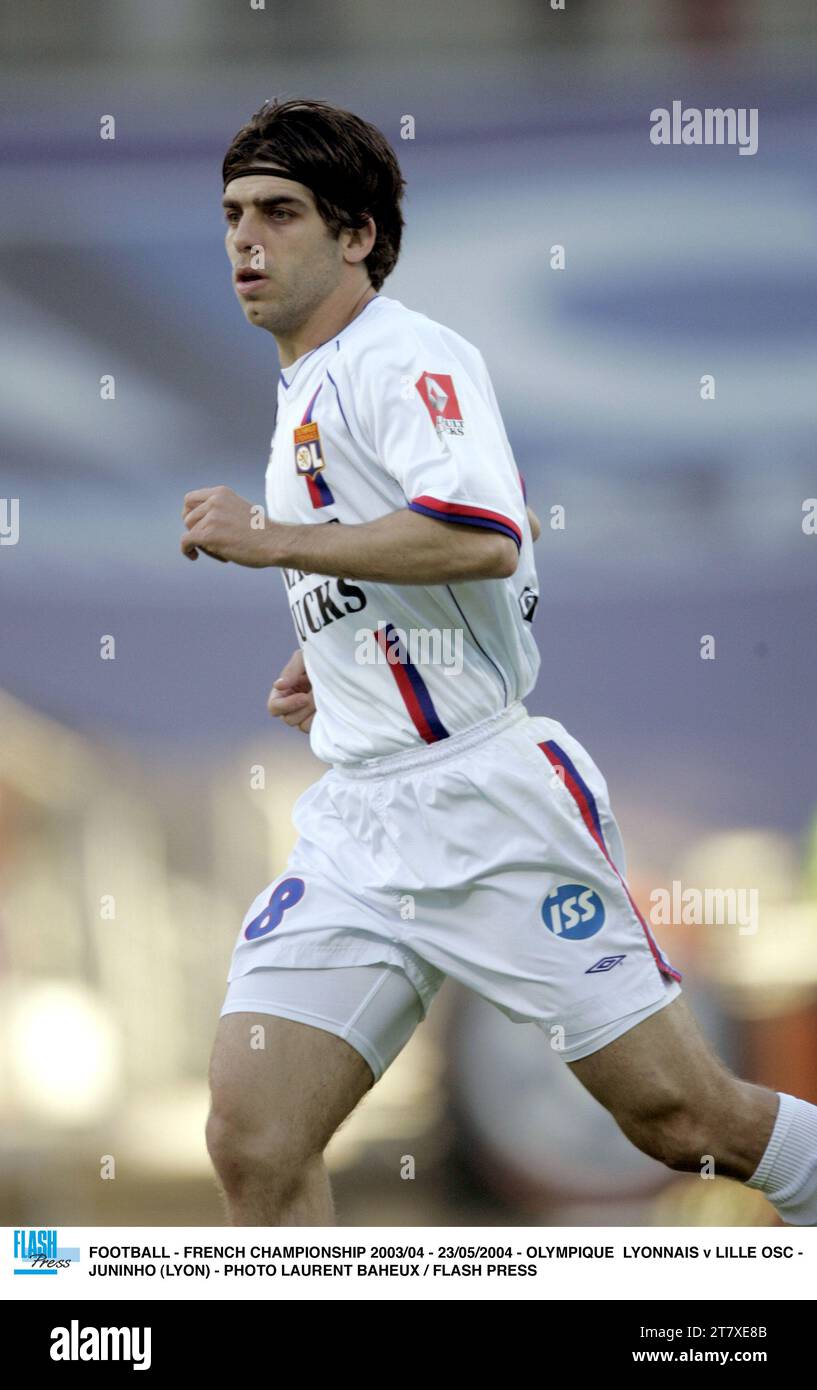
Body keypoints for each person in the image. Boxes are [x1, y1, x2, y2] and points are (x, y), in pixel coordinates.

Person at [182, 98, 816, 1227]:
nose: (245, 240)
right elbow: (424, 558)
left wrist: (270, 540)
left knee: (684, 1122)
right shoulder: (307, 386)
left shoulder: (403, 355)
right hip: (358, 821)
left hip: (485, 801)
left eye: (279, 212)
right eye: (232, 214)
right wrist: (336, 644)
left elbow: (481, 534)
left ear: (359, 234)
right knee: (253, 1133)